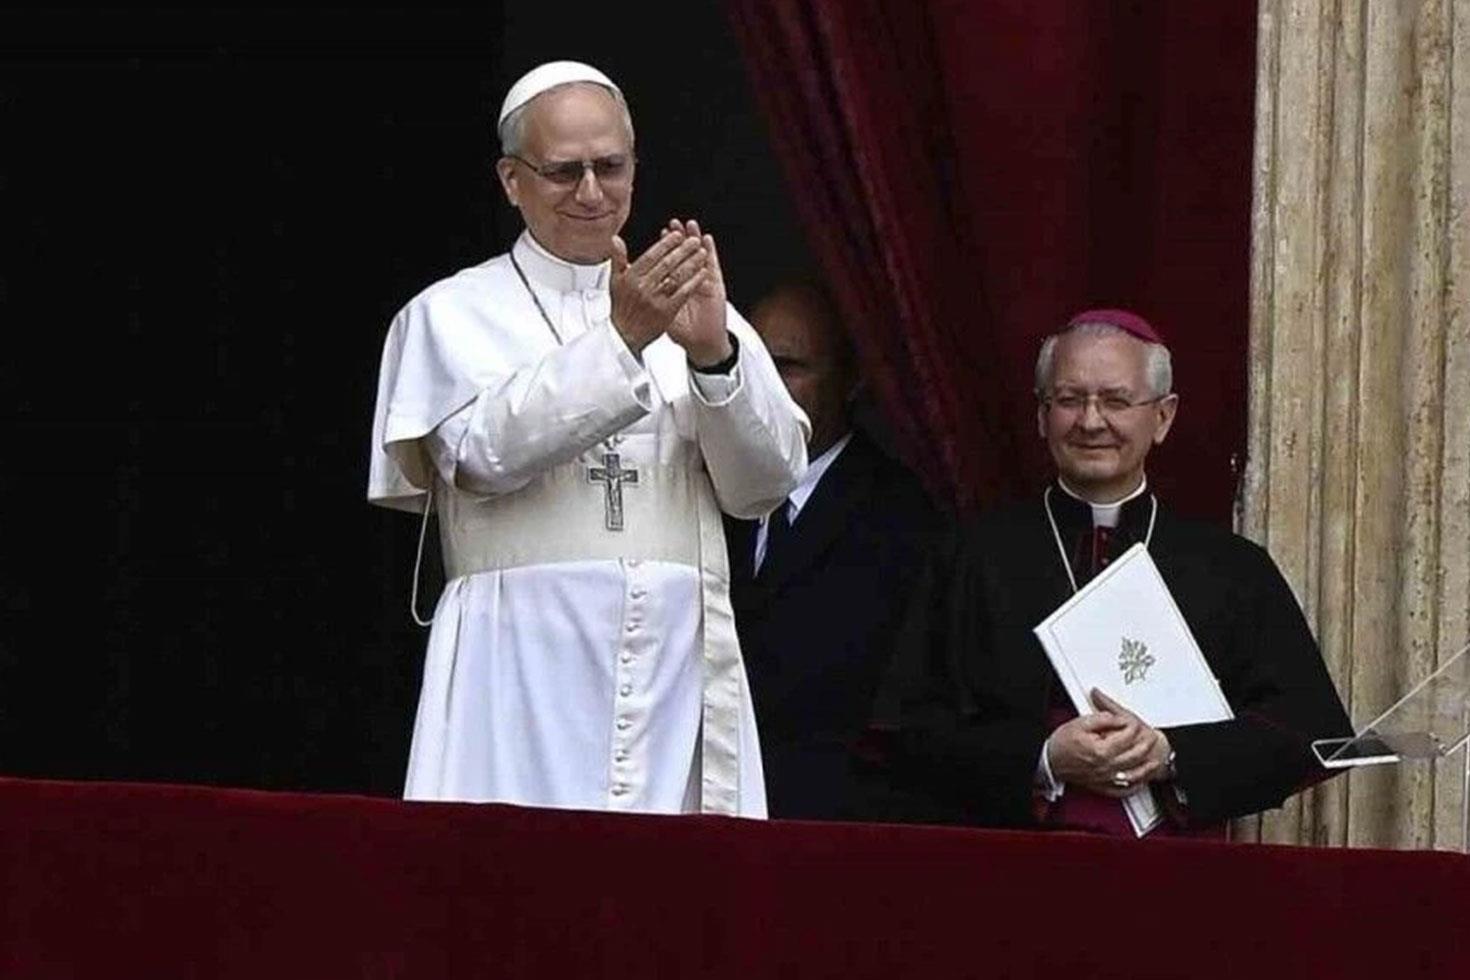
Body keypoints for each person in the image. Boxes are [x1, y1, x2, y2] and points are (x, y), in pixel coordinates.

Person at [366, 61, 809, 817]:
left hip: (674, 667)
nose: (592, 193)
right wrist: (622, 342)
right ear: (512, 180)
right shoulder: (449, 315)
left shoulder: (702, 311)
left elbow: (766, 486)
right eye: (564, 172)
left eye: (611, 167)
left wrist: (713, 360)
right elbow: (481, 455)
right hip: (516, 663)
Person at [884, 309, 1351, 834]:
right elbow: (902, 734)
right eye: (1068, 399)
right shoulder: (973, 556)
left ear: (1164, 416)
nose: (1090, 421)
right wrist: (1043, 758)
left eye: (1116, 400)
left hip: (1179, 886)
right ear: (1041, 416)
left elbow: (1312, 734)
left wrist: (1171, 752)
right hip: (1007, 876)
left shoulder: (1231, 569)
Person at [724, 278, 940, 820]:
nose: (767, 387)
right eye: (755, 365)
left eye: (791, 367)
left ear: (852, 380)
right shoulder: (711, 486)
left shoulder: (901, 516)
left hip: (831, 817)